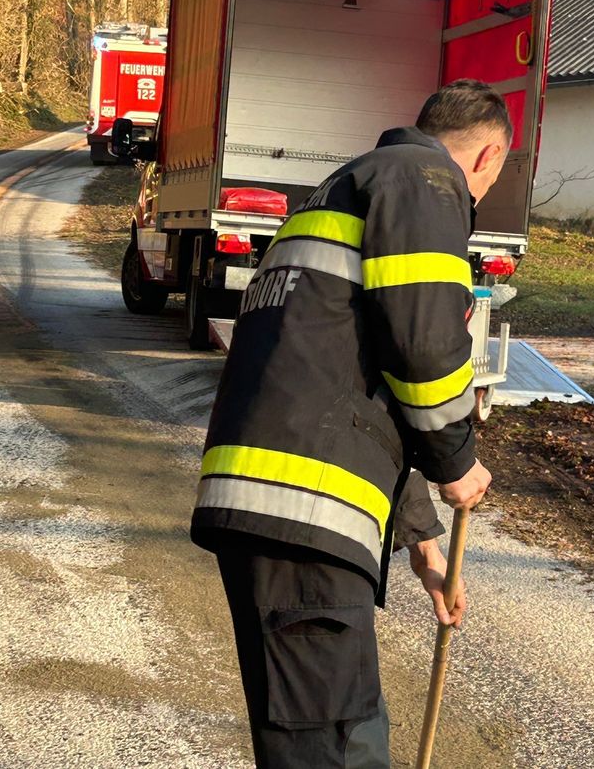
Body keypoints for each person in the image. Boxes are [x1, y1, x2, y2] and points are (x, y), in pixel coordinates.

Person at [191, 79, 512, 768]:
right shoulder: (426, 182)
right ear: (485, 159)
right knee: (339, 748)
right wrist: (456, 462)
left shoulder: (342, 191)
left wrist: (423, 540)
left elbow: (353, 382)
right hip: (302, 511)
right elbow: (423, 346)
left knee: (315, 742)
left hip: (274, 507)